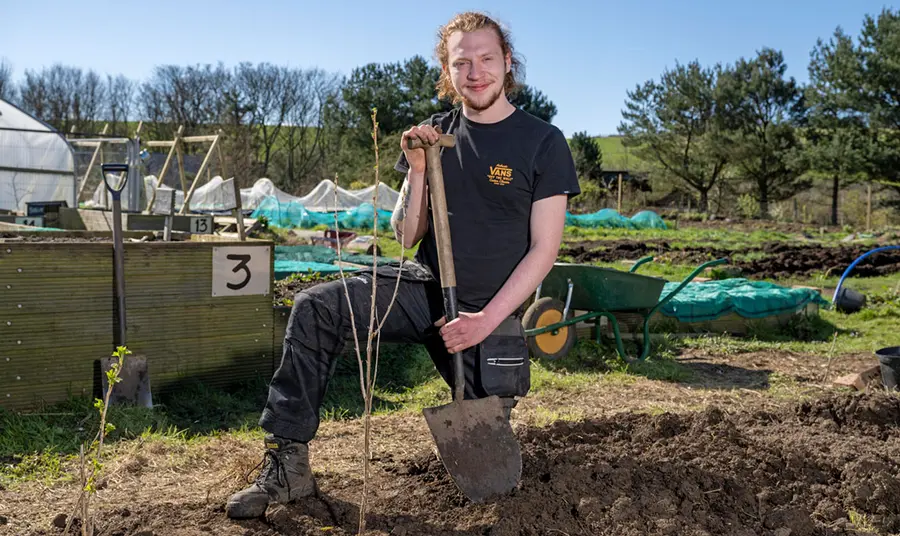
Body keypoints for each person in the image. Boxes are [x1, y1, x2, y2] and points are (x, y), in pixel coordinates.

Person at [225, 10, 580, 519]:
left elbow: (544, 249)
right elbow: (408, 236)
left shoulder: (543, 142)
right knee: (316, 308)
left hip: (490, 312)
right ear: (447, 70)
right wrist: (416, 172)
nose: (475, 72)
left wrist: (483, 322)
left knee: (492, 455)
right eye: (462, 63)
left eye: (486, 59)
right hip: (425, 289)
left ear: (507, 62)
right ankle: (288, 467)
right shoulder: (433, 135)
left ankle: (486, 418)